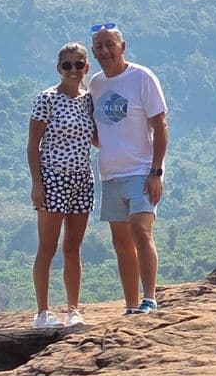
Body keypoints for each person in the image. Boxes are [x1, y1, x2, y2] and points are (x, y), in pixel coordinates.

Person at [89, 23, 168, 315]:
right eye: (99, 46)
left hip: (141, 171)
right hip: (110, 174)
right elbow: (98, 131)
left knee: (141, 231)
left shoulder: (141, 78)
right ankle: (131, 305)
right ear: (94, 52)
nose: (105, 51)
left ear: (123, 46)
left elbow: (160, 125)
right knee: (120, 241)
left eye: (110, 44)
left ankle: (149, 298)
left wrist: (156, 171)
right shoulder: (95, 84)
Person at [25, 42, 96, 330]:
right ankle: (42, 312)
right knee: (47, 247)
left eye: (78, 64)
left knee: (73, 248)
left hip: (82, 179)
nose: (73, 70)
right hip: (53, 178)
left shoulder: (89, 100)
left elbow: (98, 137)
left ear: (86, 67)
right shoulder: (47, 99)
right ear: (58, 68)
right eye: (67, 65)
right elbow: (33, 144)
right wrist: (37, 183)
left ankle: (73, 310)